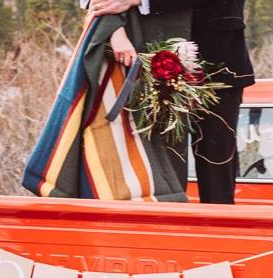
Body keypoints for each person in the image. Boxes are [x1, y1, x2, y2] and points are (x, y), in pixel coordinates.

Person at [87, 0, 255, 204]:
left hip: (219, 54)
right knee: (158, 159)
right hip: (148, 52)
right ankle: (163, 228)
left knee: (216, 159)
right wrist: (115, 31)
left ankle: (220, 229)